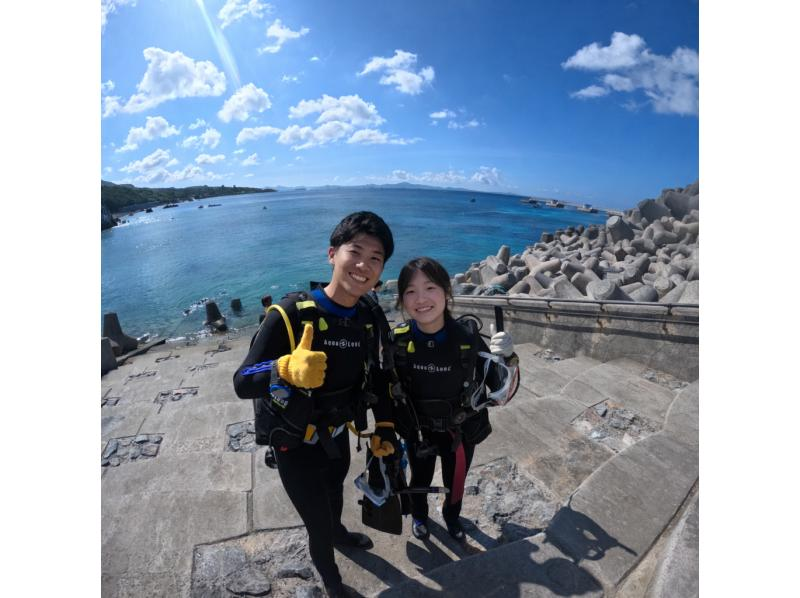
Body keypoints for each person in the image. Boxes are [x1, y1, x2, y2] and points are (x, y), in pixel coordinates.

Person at [233, 212, 399, 598]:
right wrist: (284, 367)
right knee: (317, 525)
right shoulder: (290, 315)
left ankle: (339, 533)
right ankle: (332, 580)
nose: (364, 265)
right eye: (354, 252)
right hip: (295, 443)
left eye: (376, 258)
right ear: (331, 254)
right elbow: (242, 381)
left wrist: (386, 428)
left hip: (338, 436)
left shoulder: (368, 318)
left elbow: (378, 376)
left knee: (337, 493)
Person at [389, 257, 518, 542]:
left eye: (430, 288)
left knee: (456, 482)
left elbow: (502, 392)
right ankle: (420, 516)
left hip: (459, 432)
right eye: (410, 291)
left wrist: (507, 358)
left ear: (447, 292)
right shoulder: (397, 342)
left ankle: (451, 517)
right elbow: (382, 386)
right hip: (418, 430)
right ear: (401, 300)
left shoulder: (468, 338)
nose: (421, 299)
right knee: (419, 479)